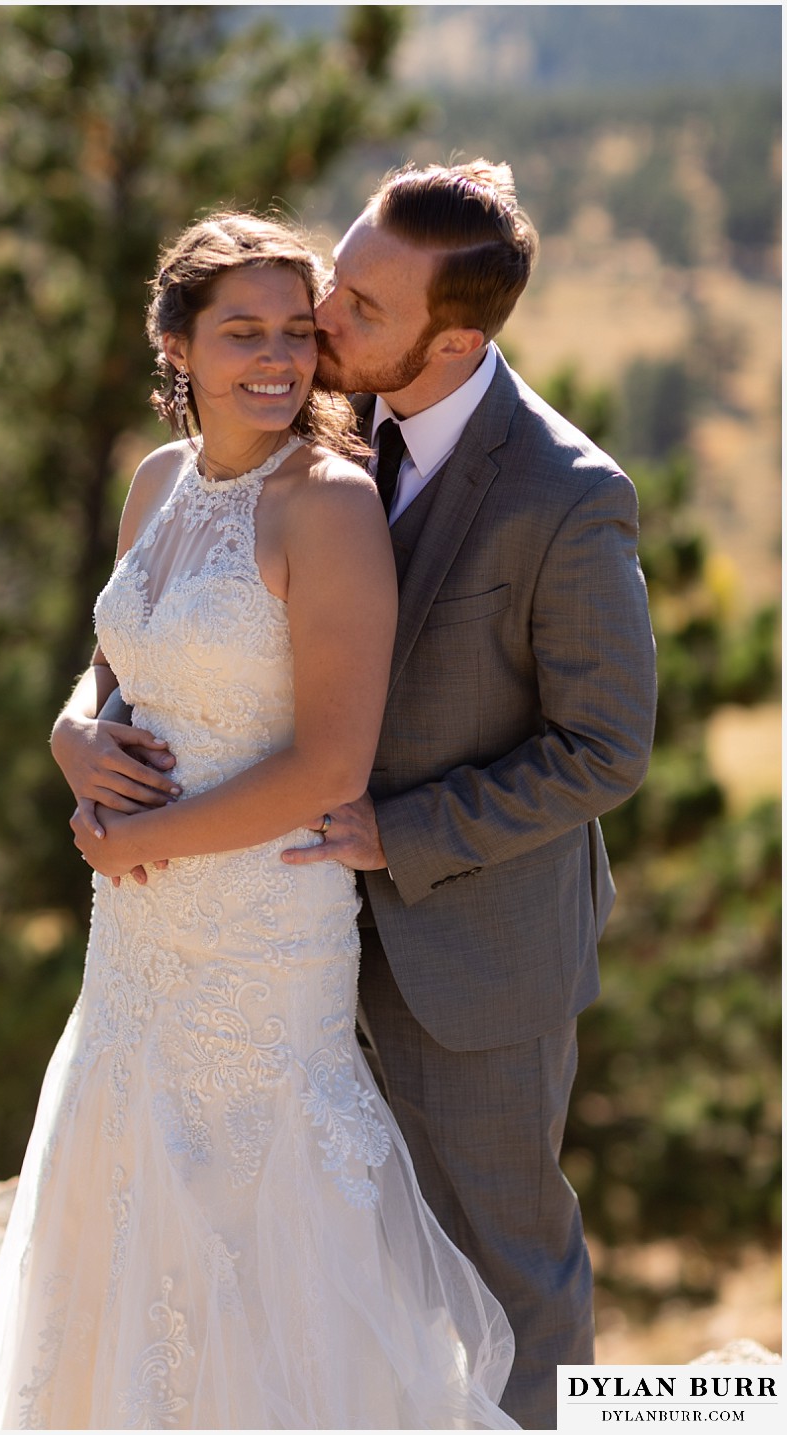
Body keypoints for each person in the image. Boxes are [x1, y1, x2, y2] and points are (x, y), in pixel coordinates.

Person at [0, 212, 517, 1431]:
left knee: (260, 1219)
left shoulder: (328, 502)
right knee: (128, 1193)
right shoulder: (157, 482)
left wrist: (141, 838)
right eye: (242, 332)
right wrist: (71, 733)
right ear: (178, 343)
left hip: (263, 931)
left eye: (296, 333)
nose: (278, 358)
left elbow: (330, 762)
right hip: (137, 943)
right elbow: (116, 666)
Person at [276, 160, 658, 1429]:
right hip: (299, 947)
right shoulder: (320, 419)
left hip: (482, 959)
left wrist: (402, 831)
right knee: (363, 1267)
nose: (323, 315)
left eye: (362, 308)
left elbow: (605, 747)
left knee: (509, 1275)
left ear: (460, 337)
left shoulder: (569, 496)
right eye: (337, 276)